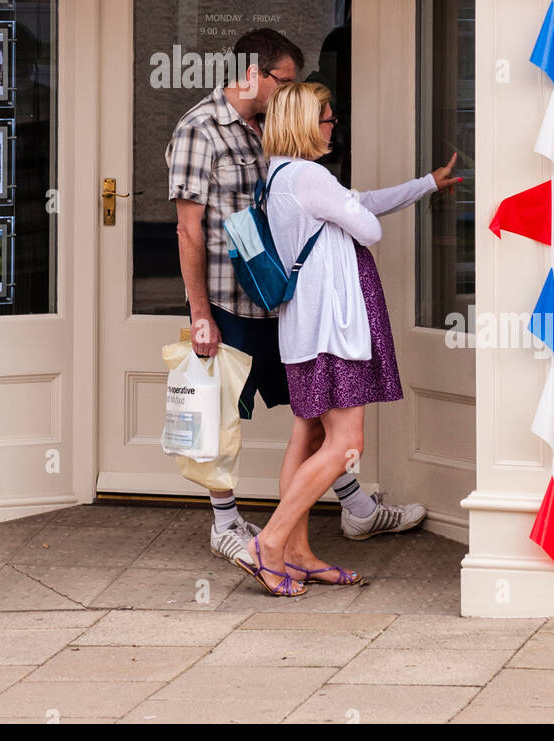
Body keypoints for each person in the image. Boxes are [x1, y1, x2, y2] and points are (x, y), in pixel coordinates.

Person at [167, 33, 430, 568]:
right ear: (252, 73)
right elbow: (188, 230)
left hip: (288, 304)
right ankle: (226, 523)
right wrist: (199, 314)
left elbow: (332, 206)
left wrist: (423, 185)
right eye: (284, 81)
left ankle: (350, 507)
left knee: (315, 412)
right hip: (230, 298)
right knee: (224, 413)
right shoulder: (200, 130)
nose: (292, 93)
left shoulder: (273, 132)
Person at [232, 82, 461, 596]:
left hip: (304, 328)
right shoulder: (310, 175)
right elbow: (368, 227)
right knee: (346, 442)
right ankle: (268, 544)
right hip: (331, 328)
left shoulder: (280, 177)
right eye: (328, 119)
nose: (333, 128)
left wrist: (426, 184)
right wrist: (353, 213)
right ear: (305, 125)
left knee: (308, 435)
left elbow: (362, 203)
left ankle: (296, 553)